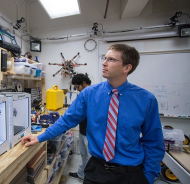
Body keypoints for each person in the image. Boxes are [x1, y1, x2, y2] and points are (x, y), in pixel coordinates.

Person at [22, 44, 165, 184]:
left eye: (111, 59)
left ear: (127, 67)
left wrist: (148, 177)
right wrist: (40, 138)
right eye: (105, 58)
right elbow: (67, 120)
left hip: (131, 173)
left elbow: (153, 141)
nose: (104, 63)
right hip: (96, 170)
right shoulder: (88, 94)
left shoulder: (146, 100)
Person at [69, 73, 91, 181]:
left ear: (84, 83)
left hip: (90, 133)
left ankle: (89, 177)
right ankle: (81, 174)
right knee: (84, 155)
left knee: (90, 157)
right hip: (82, 130)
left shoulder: (92, 94)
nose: (77, 89)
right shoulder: (82, 95)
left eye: (77, 87)